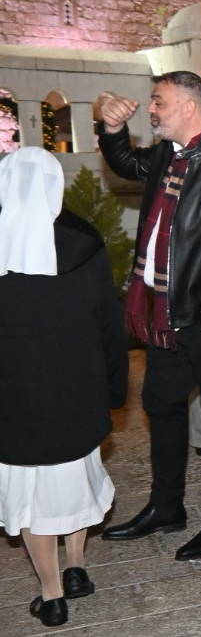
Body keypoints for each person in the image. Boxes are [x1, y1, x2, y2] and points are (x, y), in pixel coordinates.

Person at [97, 71, 201, 563]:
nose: (151, 110)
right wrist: (111, 129)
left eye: (159, 102)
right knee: (161, 402)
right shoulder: (174, 153)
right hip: (167, 314)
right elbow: (127, 162)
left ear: (189, 107)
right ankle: (166, 505)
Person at [0, 148, 128, 628]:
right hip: (77, 392)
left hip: (15, 401)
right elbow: (109, 324)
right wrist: (115, 390)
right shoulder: (84, 241)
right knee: (75, 482)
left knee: (32, 500)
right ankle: (76, 568)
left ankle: (52, 595)